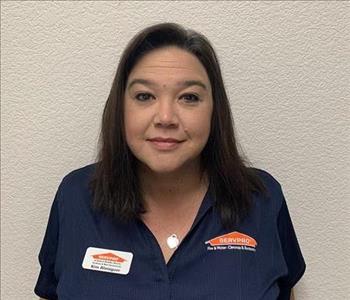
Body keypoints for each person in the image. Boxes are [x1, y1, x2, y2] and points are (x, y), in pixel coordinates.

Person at [34, 22, 305, 300]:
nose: (165, 117)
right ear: (121, 107)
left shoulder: (262, 199)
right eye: (144, 96)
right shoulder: (76, 196)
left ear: (214, 109)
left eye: (189, 97)